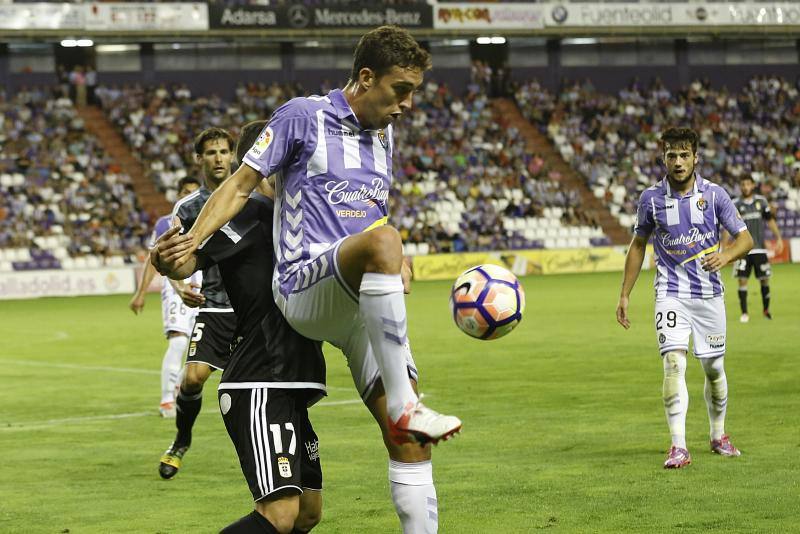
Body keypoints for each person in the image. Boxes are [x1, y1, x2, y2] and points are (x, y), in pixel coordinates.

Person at [164, 26, 459, 533]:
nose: (407, 104)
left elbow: (369, 215)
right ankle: (409, 405)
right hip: (305, 284)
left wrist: (393, 264)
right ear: (366, 78)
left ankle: (406, 420)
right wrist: (191, 241)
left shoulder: (383, 136)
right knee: (387, 241)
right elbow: (239, 185)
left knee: (406, 442)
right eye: (401, 90)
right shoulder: (303, 115)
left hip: (355, 301)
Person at [152, 121, 324, 534]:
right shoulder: (248, 213)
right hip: (260, 379)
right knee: (279, 515)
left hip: (294, 379)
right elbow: (187, 259)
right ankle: (181, 438)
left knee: (308, 513)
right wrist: (167, 262)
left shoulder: (297, 216)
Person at [616, 127, 753, 469]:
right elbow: (638, 246)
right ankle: (678, 445)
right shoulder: (650, 199)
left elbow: (745, 239)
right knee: (673, 363)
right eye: (671, 156)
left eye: (684, 155)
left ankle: (718, 435)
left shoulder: (715, 195)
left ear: (695, 158)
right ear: (663, 158)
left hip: (709, 295)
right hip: (670, 293)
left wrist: (727, 256)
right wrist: (624, 295)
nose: (678, 162)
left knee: (714, 368)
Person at [158, 127, 238, 480]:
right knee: (192, 380)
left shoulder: (256, 194)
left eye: (223, 151)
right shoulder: (188, 208)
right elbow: (171, 257)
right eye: (211, 153)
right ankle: (181, 439)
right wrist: (179, 287)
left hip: (260, 306)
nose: (218, 158)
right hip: (217, 304)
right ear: (199, 159)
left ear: (233, 155)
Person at [129, 176, 203, 417]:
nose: (189, 195)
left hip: (203, 291)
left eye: (193, 191)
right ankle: (166, 401)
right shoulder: (166, 223)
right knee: (179, 342)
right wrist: (141, 293)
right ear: (178, 194)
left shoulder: (208, 219)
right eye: (185, 191)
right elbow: (156, 261)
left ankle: (180, 389)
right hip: (176, 291)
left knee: (201, 351)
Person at [728, 175, 783, 322]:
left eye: (748, 184)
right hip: (742, 250)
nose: (745, 187)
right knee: (742, 280)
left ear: (753, 185)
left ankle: (766, 311)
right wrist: (723, 243)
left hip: (759, 249)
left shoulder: (761, 201)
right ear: (740, 186)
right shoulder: (735, 204)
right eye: (743, 184)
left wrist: (778, 237)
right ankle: (744, 313)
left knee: (764, 279)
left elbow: (770, 220)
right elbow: (727, 226)